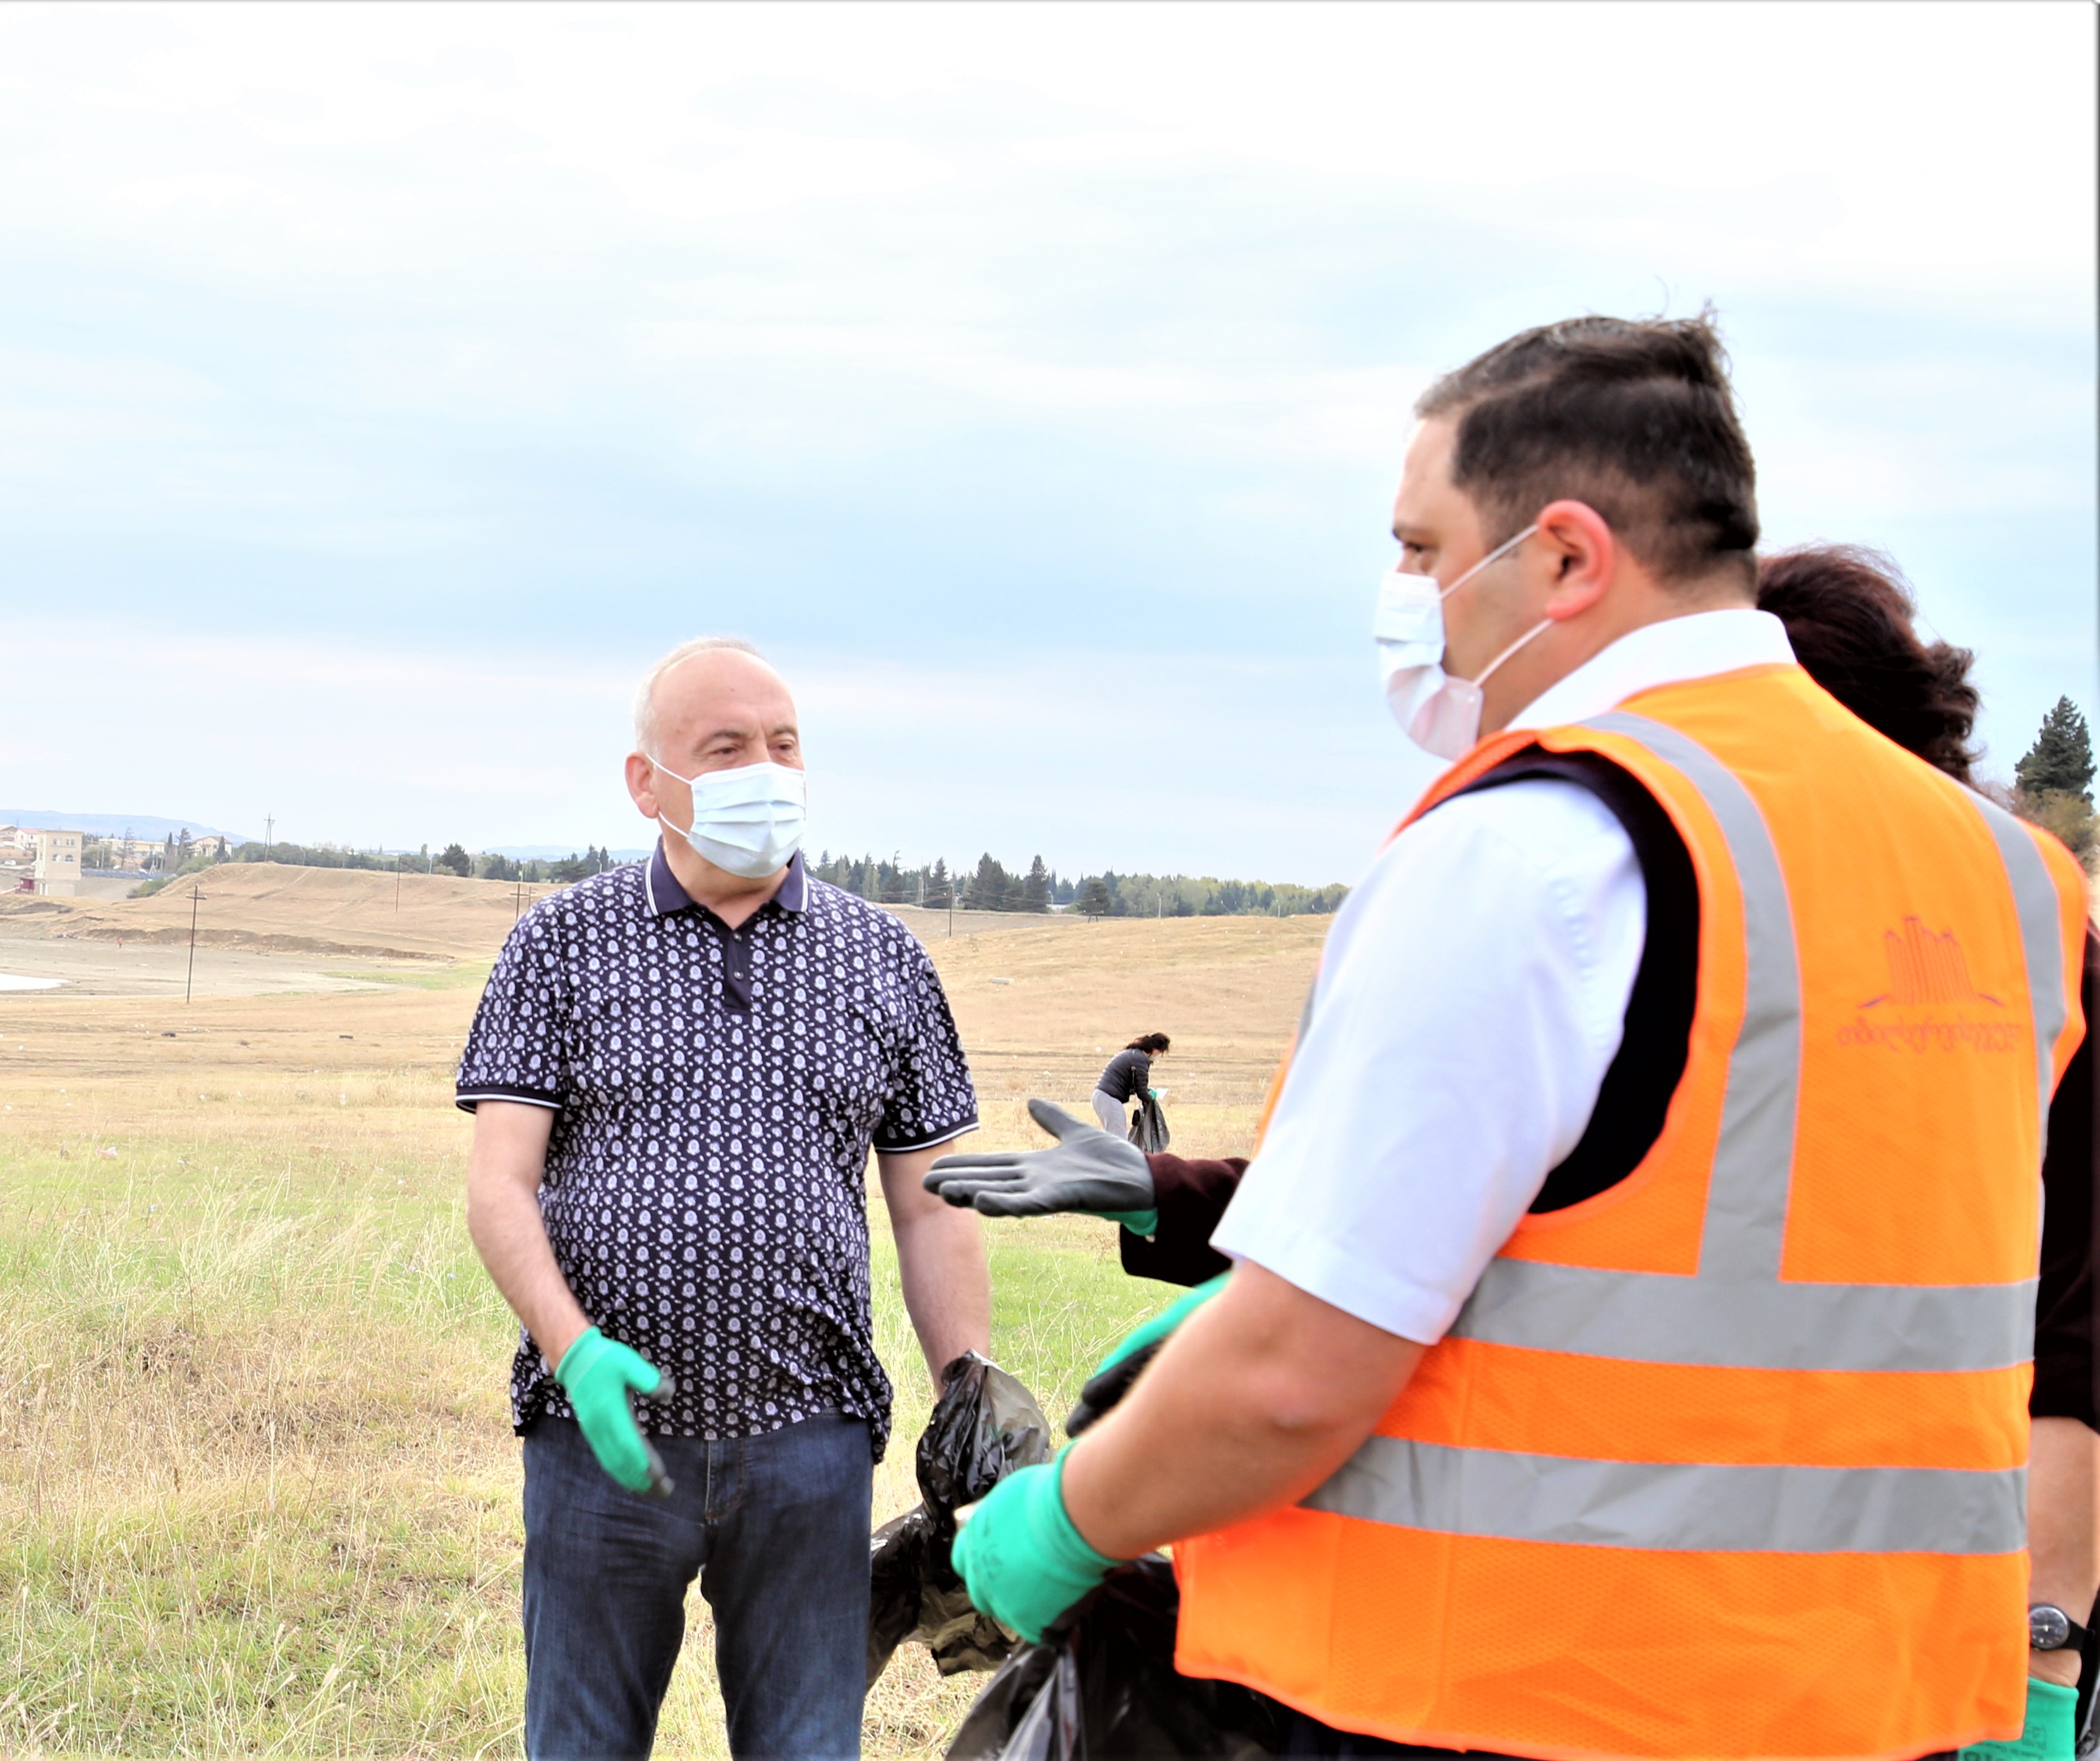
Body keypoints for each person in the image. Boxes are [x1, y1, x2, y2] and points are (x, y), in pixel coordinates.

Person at [927, 316, 2087, 1759]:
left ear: (1563, 557)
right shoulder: (2009, 881)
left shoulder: (1539, 851)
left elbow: (1291, 1378)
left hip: (1512, 1702)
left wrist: (1054, 1520)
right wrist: (2038, 1668)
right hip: (1867, 1709)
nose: (1405, 595)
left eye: (1419, 548)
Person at [458, 636, 989, 1760]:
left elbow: (931, 1204)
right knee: (579, 1745)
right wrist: (571, 1348)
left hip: (809, 1451)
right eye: (726, 746)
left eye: (783, 744)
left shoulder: (881, 955)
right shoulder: (557, 943)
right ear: (646, 782)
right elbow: (498, 1184)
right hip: (597, 1449)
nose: (766, 768)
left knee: (803, 1747)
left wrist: (965, 1390)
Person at [1091, 1031, 1168, 1138]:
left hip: (1102, 1096)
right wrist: (1152, 1096)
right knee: (1119, 1139)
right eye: (1160, 1053)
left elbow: (1138, 1086)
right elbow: (1142, 1093)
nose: (1159, 1056)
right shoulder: (1140, 1060)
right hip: (1109, 1098)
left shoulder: (1133, 1054)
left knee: (1111, 1138)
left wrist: (1147, 1092)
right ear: (1155, 1050)